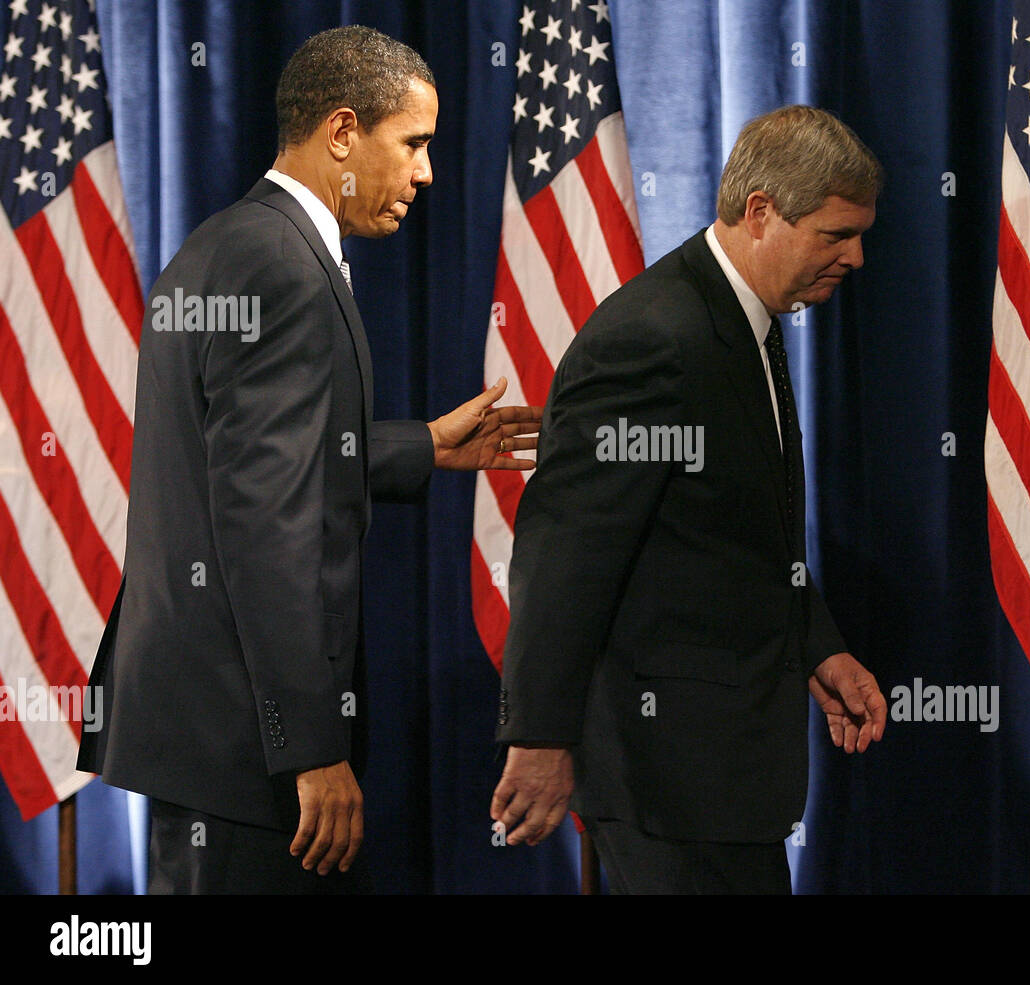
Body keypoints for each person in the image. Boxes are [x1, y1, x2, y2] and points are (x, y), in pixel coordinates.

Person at [78, 26, 541, 894]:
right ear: (340, 133)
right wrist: (312, 746)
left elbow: (246, 469)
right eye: (412, 143)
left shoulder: (227, 243)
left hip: (202, 732)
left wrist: (419, 446)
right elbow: (266, 526)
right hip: (248, 745)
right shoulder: (284, 268)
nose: (427, 172)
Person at [490, 105, 888, 893]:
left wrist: (818, 644)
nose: (857, 257)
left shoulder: (749, 320)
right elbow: (565, 550)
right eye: (836, 234)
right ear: (761, 212)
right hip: (666, 777)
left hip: (724, 776)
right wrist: (539, 737)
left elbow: (739, 533)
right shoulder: (654, 338)